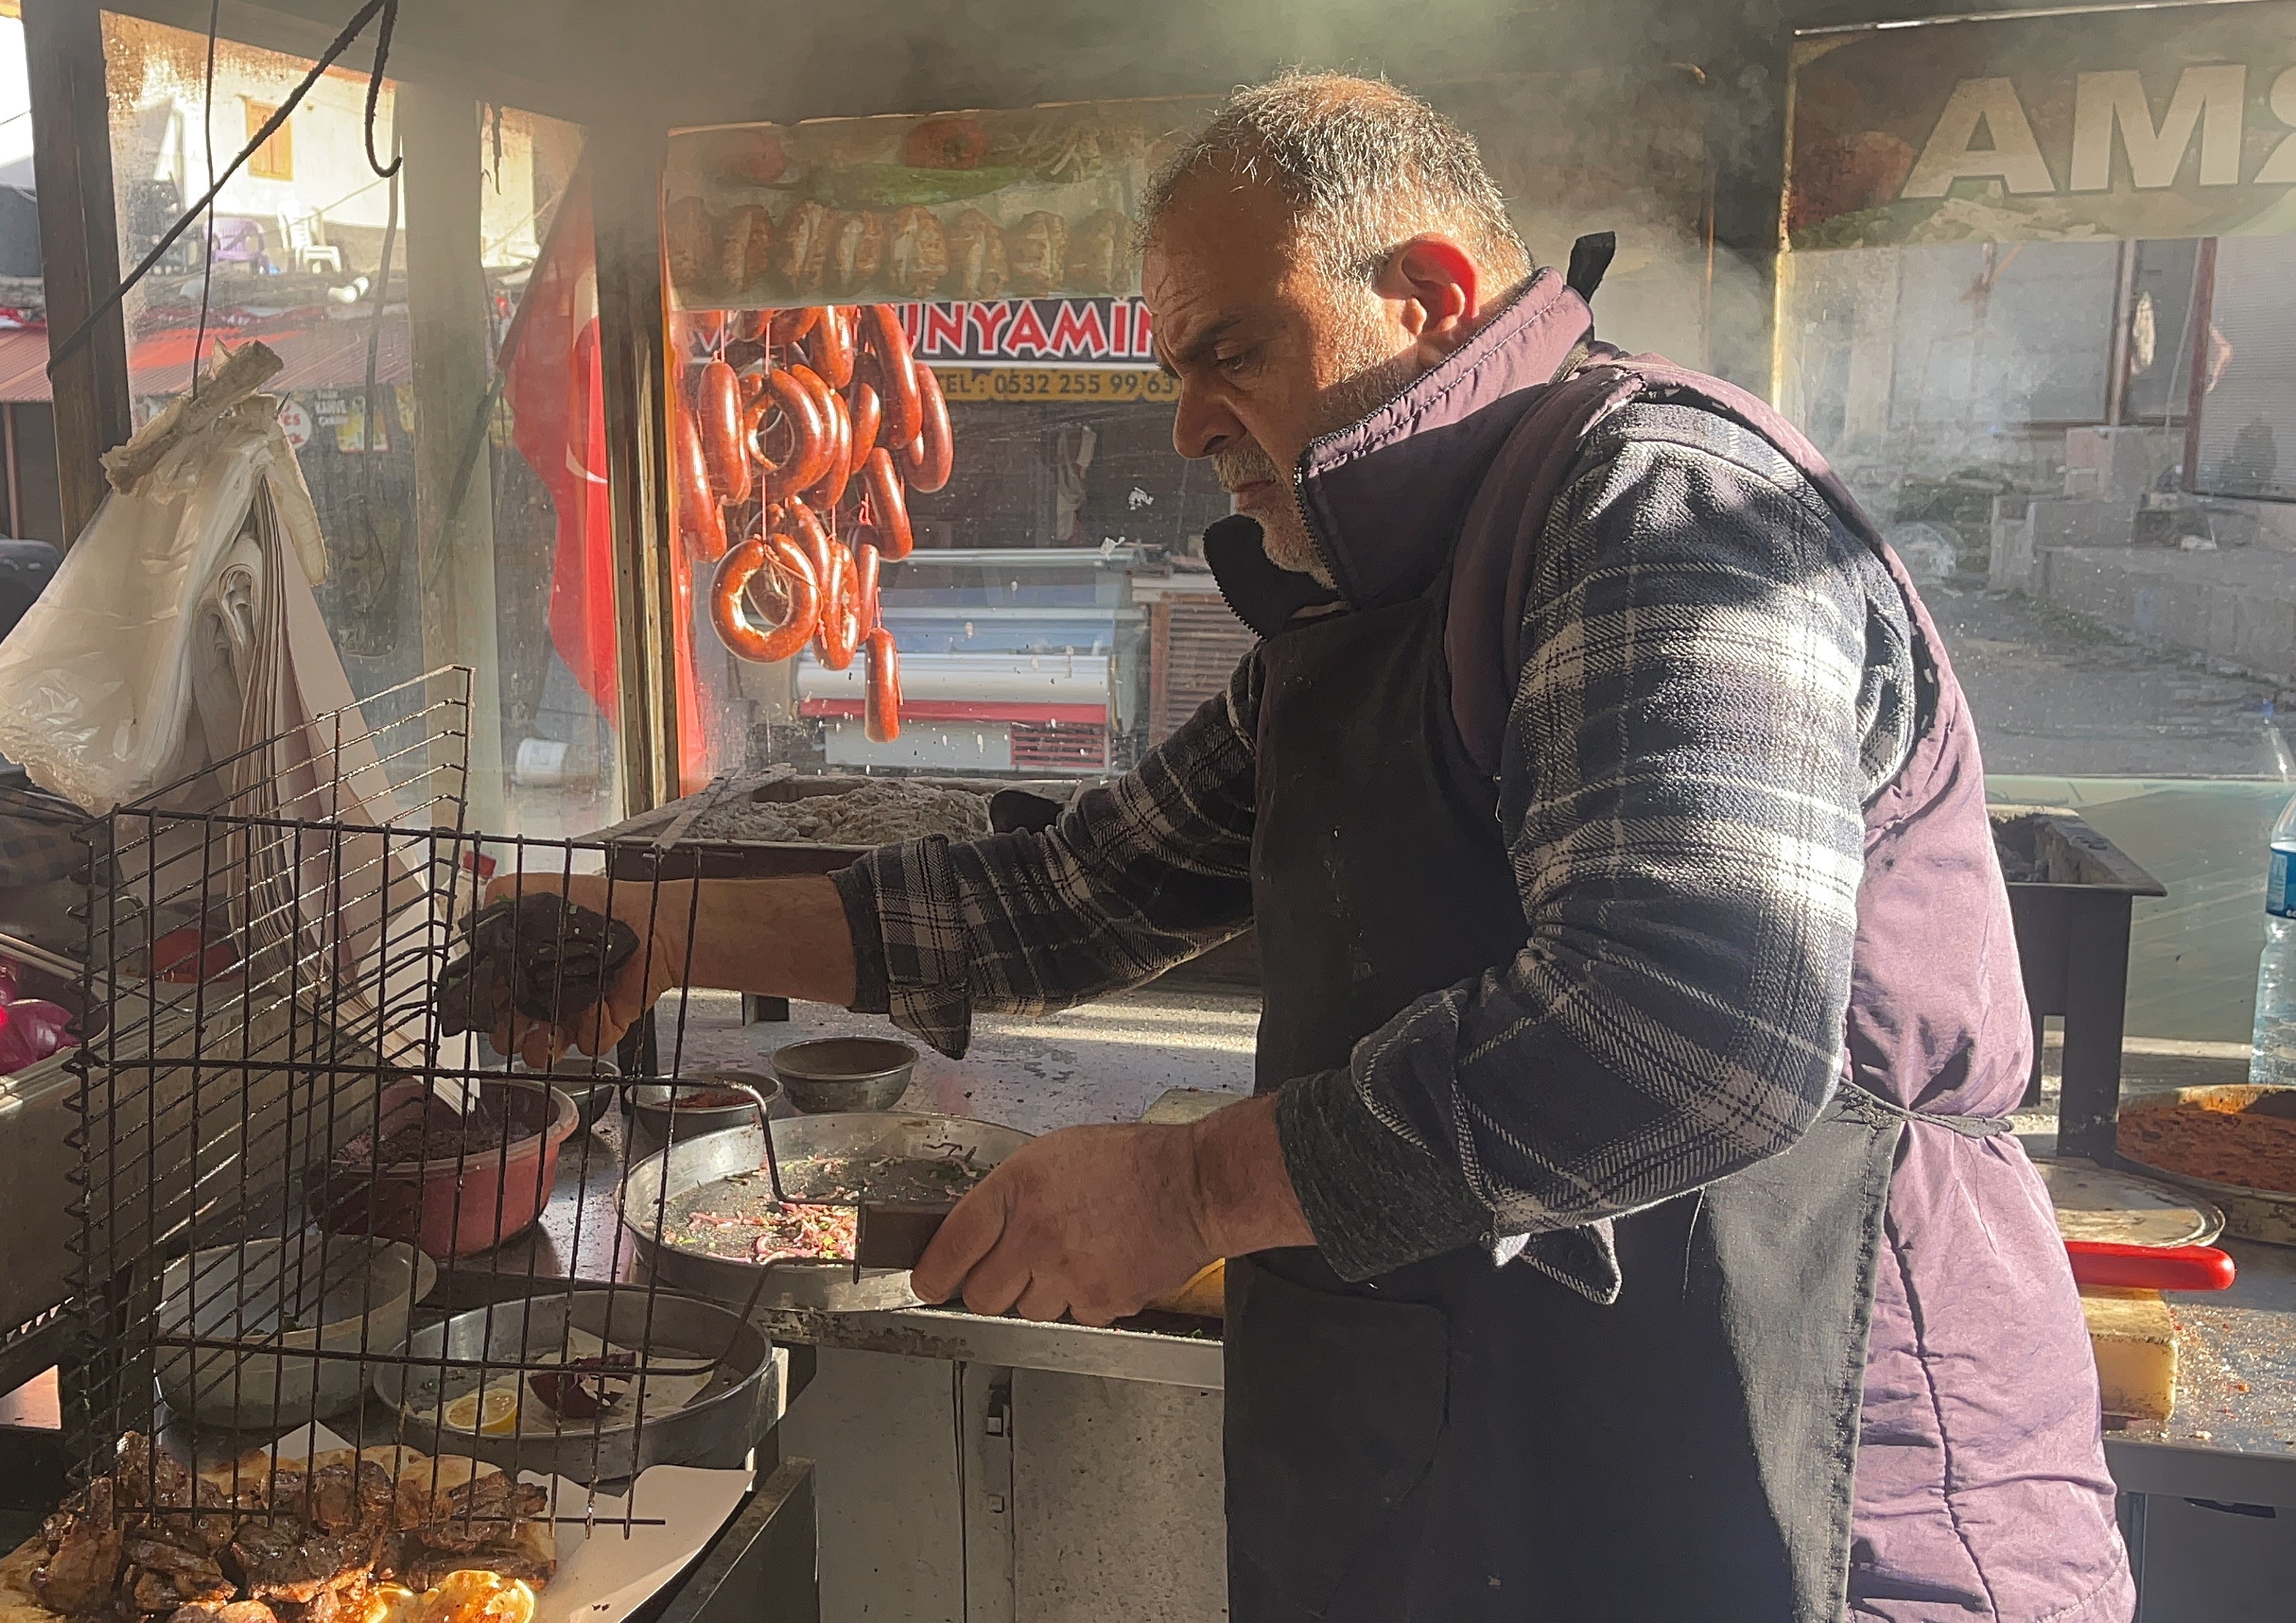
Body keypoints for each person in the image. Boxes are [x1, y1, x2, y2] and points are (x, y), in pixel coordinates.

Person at [494, 73, 2128, 1621]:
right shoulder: (1375, 606)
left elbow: (1689, 1025)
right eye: (1176, 375)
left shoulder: (1662, 511)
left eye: (1234, 350)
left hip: (1813, 1471)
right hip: (1519, 1466)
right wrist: (650, 925)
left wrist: (1190, 1186)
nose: (1193, 424)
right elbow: (1074, 894)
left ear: (1421, 292)